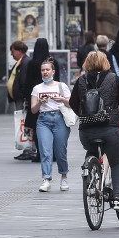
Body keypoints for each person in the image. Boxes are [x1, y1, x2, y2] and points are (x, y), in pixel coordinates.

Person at [70, 50, 119, 213]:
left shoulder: (80, 81)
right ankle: (117, 198)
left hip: (86, 132)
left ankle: (91, 172)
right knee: (116, 162)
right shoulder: (113, 79)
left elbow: (73, 103)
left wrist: (85, 115)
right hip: (110, 129)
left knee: (91, 150)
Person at [30, 58, 72, 192]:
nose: (45, 72)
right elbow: (33, 110)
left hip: (59, 118)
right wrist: (40, 102)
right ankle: (46, 179)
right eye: (43, 70)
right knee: (45, 151)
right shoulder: (37, 88)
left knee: (60, 151)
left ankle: (64, 175)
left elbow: (71, 104)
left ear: (53, 71)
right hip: (43, 120)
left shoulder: (61, 86)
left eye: (47, 70)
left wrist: (62, 99)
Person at [20, 38, 53, 163]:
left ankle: (40, 153)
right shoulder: (52, 63)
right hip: (51, 99)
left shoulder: (33, 63)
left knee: (38, 127)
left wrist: (27, 99)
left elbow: (27, 83)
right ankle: (52, 153)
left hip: (36, 99)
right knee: (51, 127)